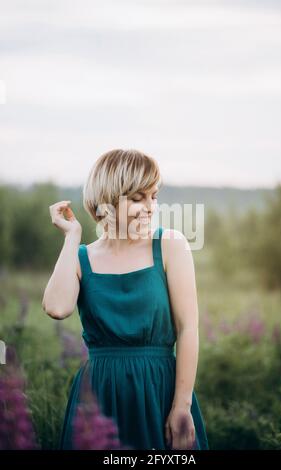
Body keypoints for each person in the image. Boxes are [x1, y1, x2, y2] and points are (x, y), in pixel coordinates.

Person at [42, 148, 209, 450]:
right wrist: (71, 238)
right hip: (100, 395)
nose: (150, 207)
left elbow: (188, 329)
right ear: (106, 202)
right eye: (137, 198)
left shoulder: (170, 246)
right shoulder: (82, 258)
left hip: (160, 391)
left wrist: (181, 407)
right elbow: (56, 307)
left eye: (153, 196)